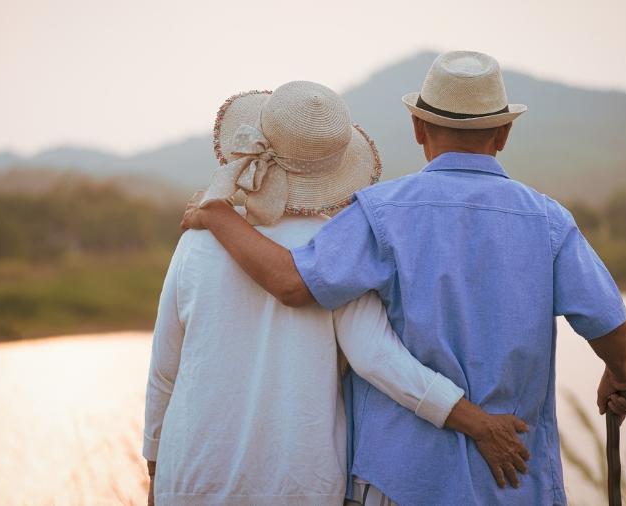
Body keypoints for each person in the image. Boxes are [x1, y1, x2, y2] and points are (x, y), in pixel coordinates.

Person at [181, 52, 626, 505]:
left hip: (400, 479)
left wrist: (219, 215)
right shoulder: (549, 221)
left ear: (418, 127)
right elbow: (606, 320)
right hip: (512, 477)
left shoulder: (379, 213)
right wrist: (620, 373)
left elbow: (291, 284)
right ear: (503, 133)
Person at [144, 81, 529, 506]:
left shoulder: (199, 238)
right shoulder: (337, 250)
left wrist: (157, 465)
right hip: (297, 485)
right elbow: (379, 359)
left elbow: (165, 368)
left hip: (190, 477)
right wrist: (475, 421)